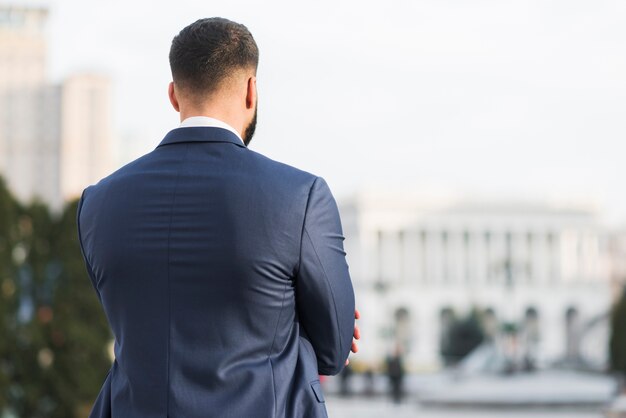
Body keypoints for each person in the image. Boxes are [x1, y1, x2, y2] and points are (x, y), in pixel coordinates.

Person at [77, 17, 359, 418]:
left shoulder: (97, 204)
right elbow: (334, 349)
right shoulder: (301, 196)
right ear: (251, 90)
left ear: (174, 95)